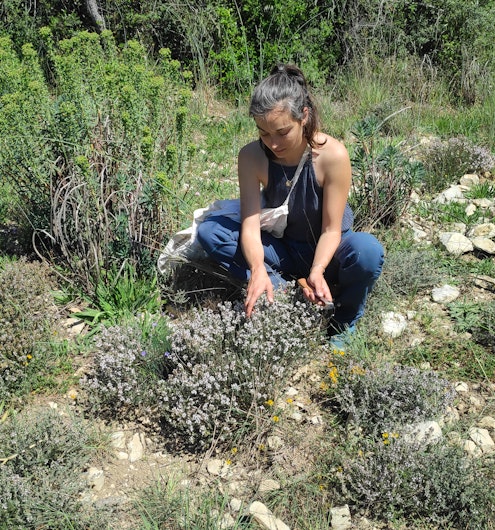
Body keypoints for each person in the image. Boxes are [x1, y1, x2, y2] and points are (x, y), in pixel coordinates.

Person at [197, 64, 384, 344]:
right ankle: (286, 293)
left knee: (367, 250)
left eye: (282, 132)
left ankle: (343, 322)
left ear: (303, 117)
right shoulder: (251, 156)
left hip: (329, 252)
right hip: (283, 249)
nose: (272, 143)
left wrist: (318, 270)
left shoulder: (331, 155)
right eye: (263, 133)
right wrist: (258, 268)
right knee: (211, 232)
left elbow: (332, 230)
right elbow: (249, 224)